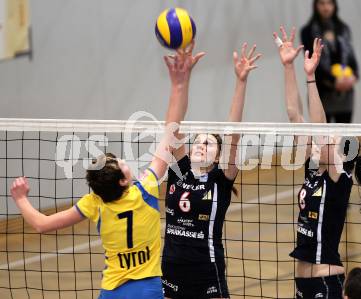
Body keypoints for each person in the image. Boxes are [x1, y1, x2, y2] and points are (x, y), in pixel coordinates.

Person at [9, 42, 205, 299]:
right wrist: (180, 82)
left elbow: (41, 224)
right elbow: (171, 128)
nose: (126, 161)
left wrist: (21, 198)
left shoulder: (94, 203)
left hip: (111, 291)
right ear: (124, 181)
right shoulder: (144, 189)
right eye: (122, 164)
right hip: (147, 289)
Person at [273, 25, 361, 298]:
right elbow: (294, 115)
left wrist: (311, 77)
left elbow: (320, 131)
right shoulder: (313, 170)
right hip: (303, 282)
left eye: (329, 140)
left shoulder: (339, 178)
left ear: (342, 156)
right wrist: (289, 68)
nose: (316, 142)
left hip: (325, 282)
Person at [161, 42, 261, 299]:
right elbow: (173, 124)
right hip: (171, 268)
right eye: (199, 141)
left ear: (219, 157)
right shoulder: (179, 171)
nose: (201, 146)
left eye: (209, 144)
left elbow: (232, 136)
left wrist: (241, 81)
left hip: (206, 269)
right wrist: (183, 78)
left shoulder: (219, 180)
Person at [301, 0, 359, 123]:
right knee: (323, 138)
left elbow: (351, 58)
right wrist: (334, 81)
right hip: (321, 92)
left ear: (334, 5)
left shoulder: (343, 29)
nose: (326, 7)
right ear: (316, 6)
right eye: (322, 3)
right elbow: (312, 62)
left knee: (344, 137)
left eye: (329, 3)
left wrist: (354, 76)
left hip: (345, 93)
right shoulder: (307, 31)